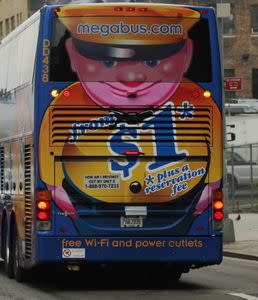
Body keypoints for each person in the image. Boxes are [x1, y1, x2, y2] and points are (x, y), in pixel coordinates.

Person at [38, 5, 222, 228]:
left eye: (152, 61)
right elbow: (50, 164)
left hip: (182, 203)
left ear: (186, 55)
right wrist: (56, 189)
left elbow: (213, 163)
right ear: (73, 57)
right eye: (108, 61)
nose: (132, 76)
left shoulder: (194, 100)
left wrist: (209, 189)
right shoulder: (68, 102)